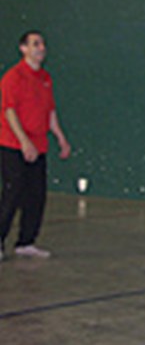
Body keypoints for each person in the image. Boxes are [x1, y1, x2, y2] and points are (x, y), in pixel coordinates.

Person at [0, 30, 70, 262]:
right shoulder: (13, 77)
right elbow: (9, 112)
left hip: (39, 146)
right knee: (13, 192)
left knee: (36, 195)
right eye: (35, 44)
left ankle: (26, 242)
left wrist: (60, 137)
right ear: (23, 49)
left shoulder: (45, 78)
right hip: (13, 145)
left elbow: (49, 111)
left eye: (42, 44)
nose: (41, 48)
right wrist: (23, 142)